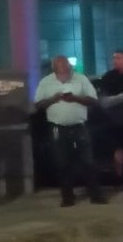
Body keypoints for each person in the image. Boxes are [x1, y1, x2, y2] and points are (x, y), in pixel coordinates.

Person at [34, 54, 106, 205]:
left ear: (69, 66)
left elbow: (93, 100)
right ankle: (67, 196)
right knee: (62, 162)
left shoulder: (81, 79)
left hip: (79, 126)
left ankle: (96, 194)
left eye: (66, 68)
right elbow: (38, 105)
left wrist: (75, 98)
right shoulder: (46, 82)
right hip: (57, 128)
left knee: (88, 161)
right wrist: (54, 99)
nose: (64, 72)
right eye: (59, 69)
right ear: (54, 69)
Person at [0, 60, 33, 200]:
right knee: (3, 161)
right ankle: (10, 191)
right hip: (3, 128)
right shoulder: (16, 83)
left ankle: (0, 190)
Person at [92, 48, 123, 184]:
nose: (115, 61)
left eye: (118, 58)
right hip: (116, 119)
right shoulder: (109, 77)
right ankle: (119, 178)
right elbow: (103, 97)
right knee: (118, 148)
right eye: (114, 58)